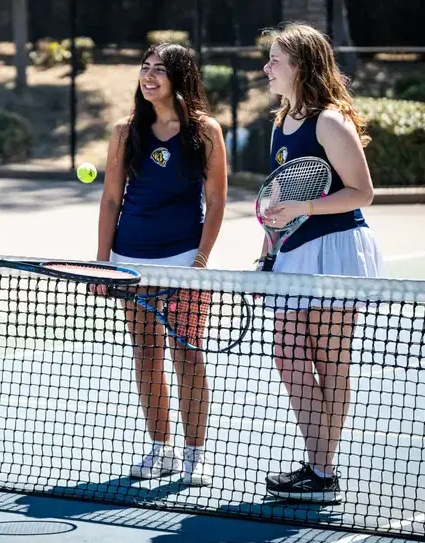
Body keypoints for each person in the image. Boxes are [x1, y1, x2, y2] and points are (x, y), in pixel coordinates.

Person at [257, 23, 382, 503]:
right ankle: (320, 466)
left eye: (275, 61)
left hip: (337, 248)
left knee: (329, 361)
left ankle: (320, 471)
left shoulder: (330, 122)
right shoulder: (280, 122)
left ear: (301, 67)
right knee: (288, 355)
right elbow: (283, 195)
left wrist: (300, 210)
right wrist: (270, 242)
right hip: (293, 251)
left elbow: (362, 193)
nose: (267, 68)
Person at [95, 43, 228, 487]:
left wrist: (200, 260)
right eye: (144, 68)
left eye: (159, 70)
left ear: (180, 78)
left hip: (183, 262)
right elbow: (111, 198)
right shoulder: (124, 131)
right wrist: (102, 263)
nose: (148, 76)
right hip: (130, 262)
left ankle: (195, 455)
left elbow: (216, 201)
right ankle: (161, 449)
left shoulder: (206, 131)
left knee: (187, 355)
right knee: (146, 355)